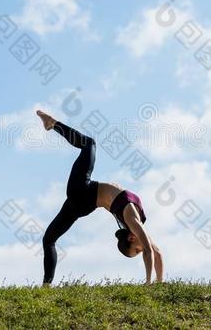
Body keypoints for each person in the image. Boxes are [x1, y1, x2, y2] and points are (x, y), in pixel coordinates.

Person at [36, 110, 164, 286]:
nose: (143, 249)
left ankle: (53, 124)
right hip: (83, 203)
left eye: (137, 250)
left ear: (131, 238)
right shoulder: (135, 223)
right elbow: (156, 252)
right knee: (48, 239)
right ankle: (46, 285)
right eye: (139, 252)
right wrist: (158, 283)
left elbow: (150, 251)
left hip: (82, 192)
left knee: (89, 144)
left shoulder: (132, 220)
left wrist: (150, 284)